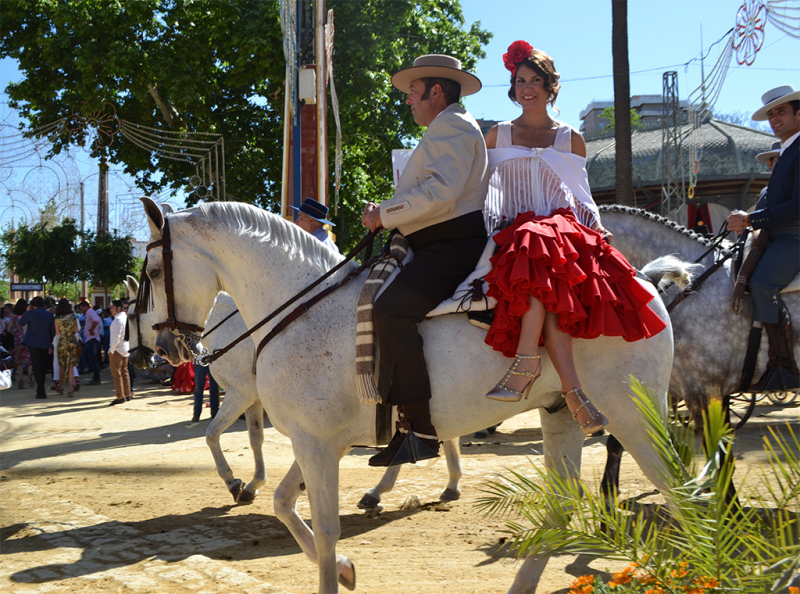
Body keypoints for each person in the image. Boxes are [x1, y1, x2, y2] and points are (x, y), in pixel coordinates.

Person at [481, 41, 667, 435]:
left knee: (543, 248)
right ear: (512, 88)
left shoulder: (571, 138)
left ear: (551, 88)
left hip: (561, 229)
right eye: (519, 81)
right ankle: (574, 392)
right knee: (540, 264)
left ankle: (526, 363)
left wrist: (597, 231)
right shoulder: (496, 135)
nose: (526, 87)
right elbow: (482, 190)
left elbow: (580, 195)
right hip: (515, 231)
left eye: (535, 80)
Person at [361, 54, 489, 467]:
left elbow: (441, 193)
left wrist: (384, 215)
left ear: (437, 92)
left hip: (451, 245)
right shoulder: (447, 126)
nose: (407, 101)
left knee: (391, 310)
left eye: (413, 93)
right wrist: (387, 210)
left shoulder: (451, 124)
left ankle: (419, 429)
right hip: (437, 242)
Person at [727, 85, 800, 392]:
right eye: (771, 114)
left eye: (781, 111)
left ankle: (783, 366)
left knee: (761, 284)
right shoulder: (786, 152)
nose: (774, 118)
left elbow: (797, 206)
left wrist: (750, 219)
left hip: (794, 236)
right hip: (777, 233)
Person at [19, 296, 56, 399]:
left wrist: (27, 311)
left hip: (33, 343)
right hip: (45, 343)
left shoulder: (30, 313)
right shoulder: (49, 315)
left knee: (36, 366)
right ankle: (41, 388)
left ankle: (40, 389)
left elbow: (21, 323)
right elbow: (52, 331)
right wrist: (51, 345)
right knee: (43, 366)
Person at [54, 298, 80, 398]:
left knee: (62, 365)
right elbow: (76, 330)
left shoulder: (57, 317)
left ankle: (61, 387)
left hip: (62, 341)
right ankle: (70, 389)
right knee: (71, 366)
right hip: (72, 341)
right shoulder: (73, 316)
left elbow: (57, 332)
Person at [107, 299, 132, 405]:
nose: (111, 310)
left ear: (118, 308)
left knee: (117, 374)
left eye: (112, 308)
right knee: (124, 372)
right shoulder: (125, 318)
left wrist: (111, 350)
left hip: (117, 350)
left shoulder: (117, 320)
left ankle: (120, 395)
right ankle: (127, 394)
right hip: (125, 348)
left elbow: (115, 338)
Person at [8, 299, 33, 389]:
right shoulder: (28, 315)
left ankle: (21, 380)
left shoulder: (14, 317)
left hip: (18, 340)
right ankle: (29, 375)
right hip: (28, 339)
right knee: (29, 359)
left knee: (19, 361)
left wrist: (15, 332)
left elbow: (9, 329)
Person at [77, 301, 102, 385]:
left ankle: (96, 379)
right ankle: (95, 378)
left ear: (85, 307)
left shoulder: (90, 312)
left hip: (92, 339)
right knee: (92, 359)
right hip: (90, 339)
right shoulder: (89, 313)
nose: (81, 310)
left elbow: (96, 319)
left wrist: (91, 329)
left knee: (93, 359)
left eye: (81, 308)